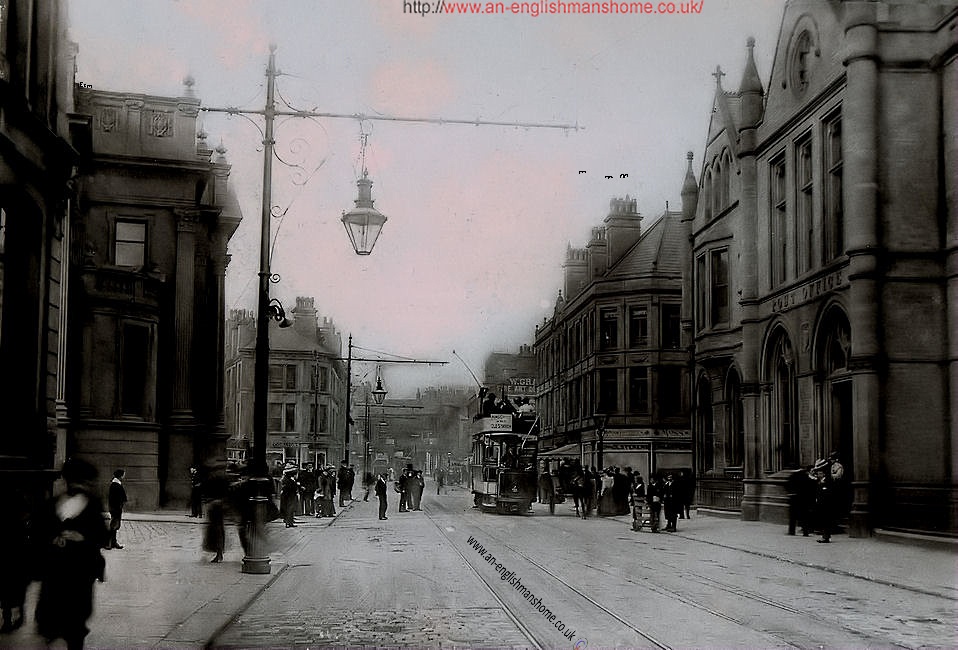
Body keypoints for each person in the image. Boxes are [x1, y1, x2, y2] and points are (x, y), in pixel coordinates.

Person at [34, 458, 110, 650]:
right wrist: (53, 538)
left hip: (79, 571)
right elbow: (39, 532)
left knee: (75, 621)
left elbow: (102, 537)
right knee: (52, 618)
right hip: (55, 570)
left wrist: (82, 538)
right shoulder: (52, 504)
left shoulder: (92, 505)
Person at [0, 488, 31, 633]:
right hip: (19, 551)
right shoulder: (20, 520)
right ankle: (20, 612)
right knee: (19, 585)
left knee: (5, 586)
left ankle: (7, 619)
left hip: (5, 551)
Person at [786, 466, 815, 536]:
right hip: (803, 499)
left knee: (792, 516)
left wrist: (790, 493)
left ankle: (791, 531)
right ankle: (805, 532)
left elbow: (787, 485)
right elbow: (809, 487)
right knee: (804, 516)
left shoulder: (792, 476)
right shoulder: (806, 476)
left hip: (793, 498)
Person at [106, 468, 127, 549]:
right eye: (123, 474)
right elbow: (114, 498)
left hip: (116, 508)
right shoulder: (115, 485)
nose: (124, 476)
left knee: (115, 526)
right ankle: (109, 543)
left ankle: (114, 542)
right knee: (113, 526)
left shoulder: (117, 483)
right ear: (120, 476)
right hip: (115, 508)